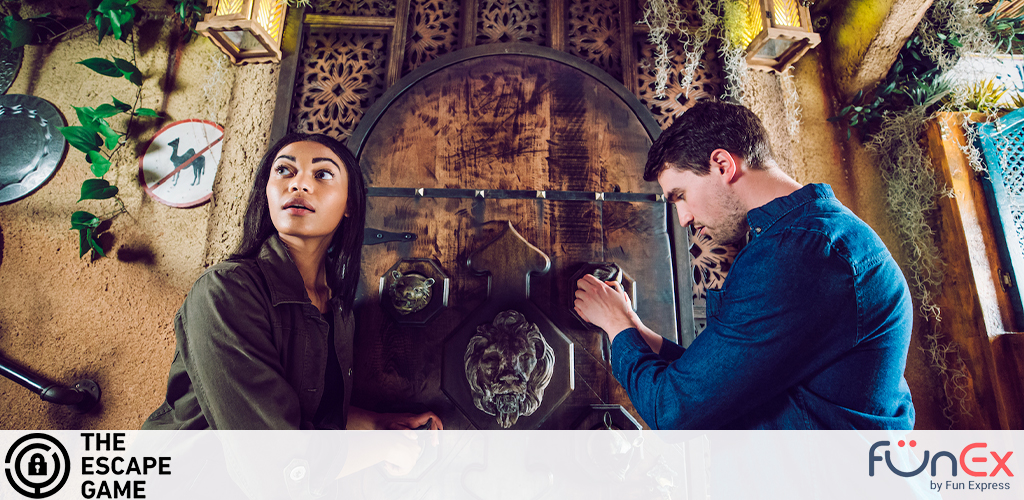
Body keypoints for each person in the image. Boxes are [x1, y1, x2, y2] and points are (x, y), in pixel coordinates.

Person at [574, 100, 915, 430]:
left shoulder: (799, 255)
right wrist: (634, 327)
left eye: (680, 195)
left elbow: (674, 410)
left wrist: (616, 326)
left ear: (723, 165)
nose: (683, 218)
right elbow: (722, 380)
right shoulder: (803, 238)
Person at [143, 134, 441, 488]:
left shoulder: (338, 310)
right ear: (266, 191)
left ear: (349, 205)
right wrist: (384, 447)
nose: (299, 182)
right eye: (284, 170)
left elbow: (311, 416)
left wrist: (382, 424)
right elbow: (275, 465)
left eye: (322, 174)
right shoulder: (226, 290)